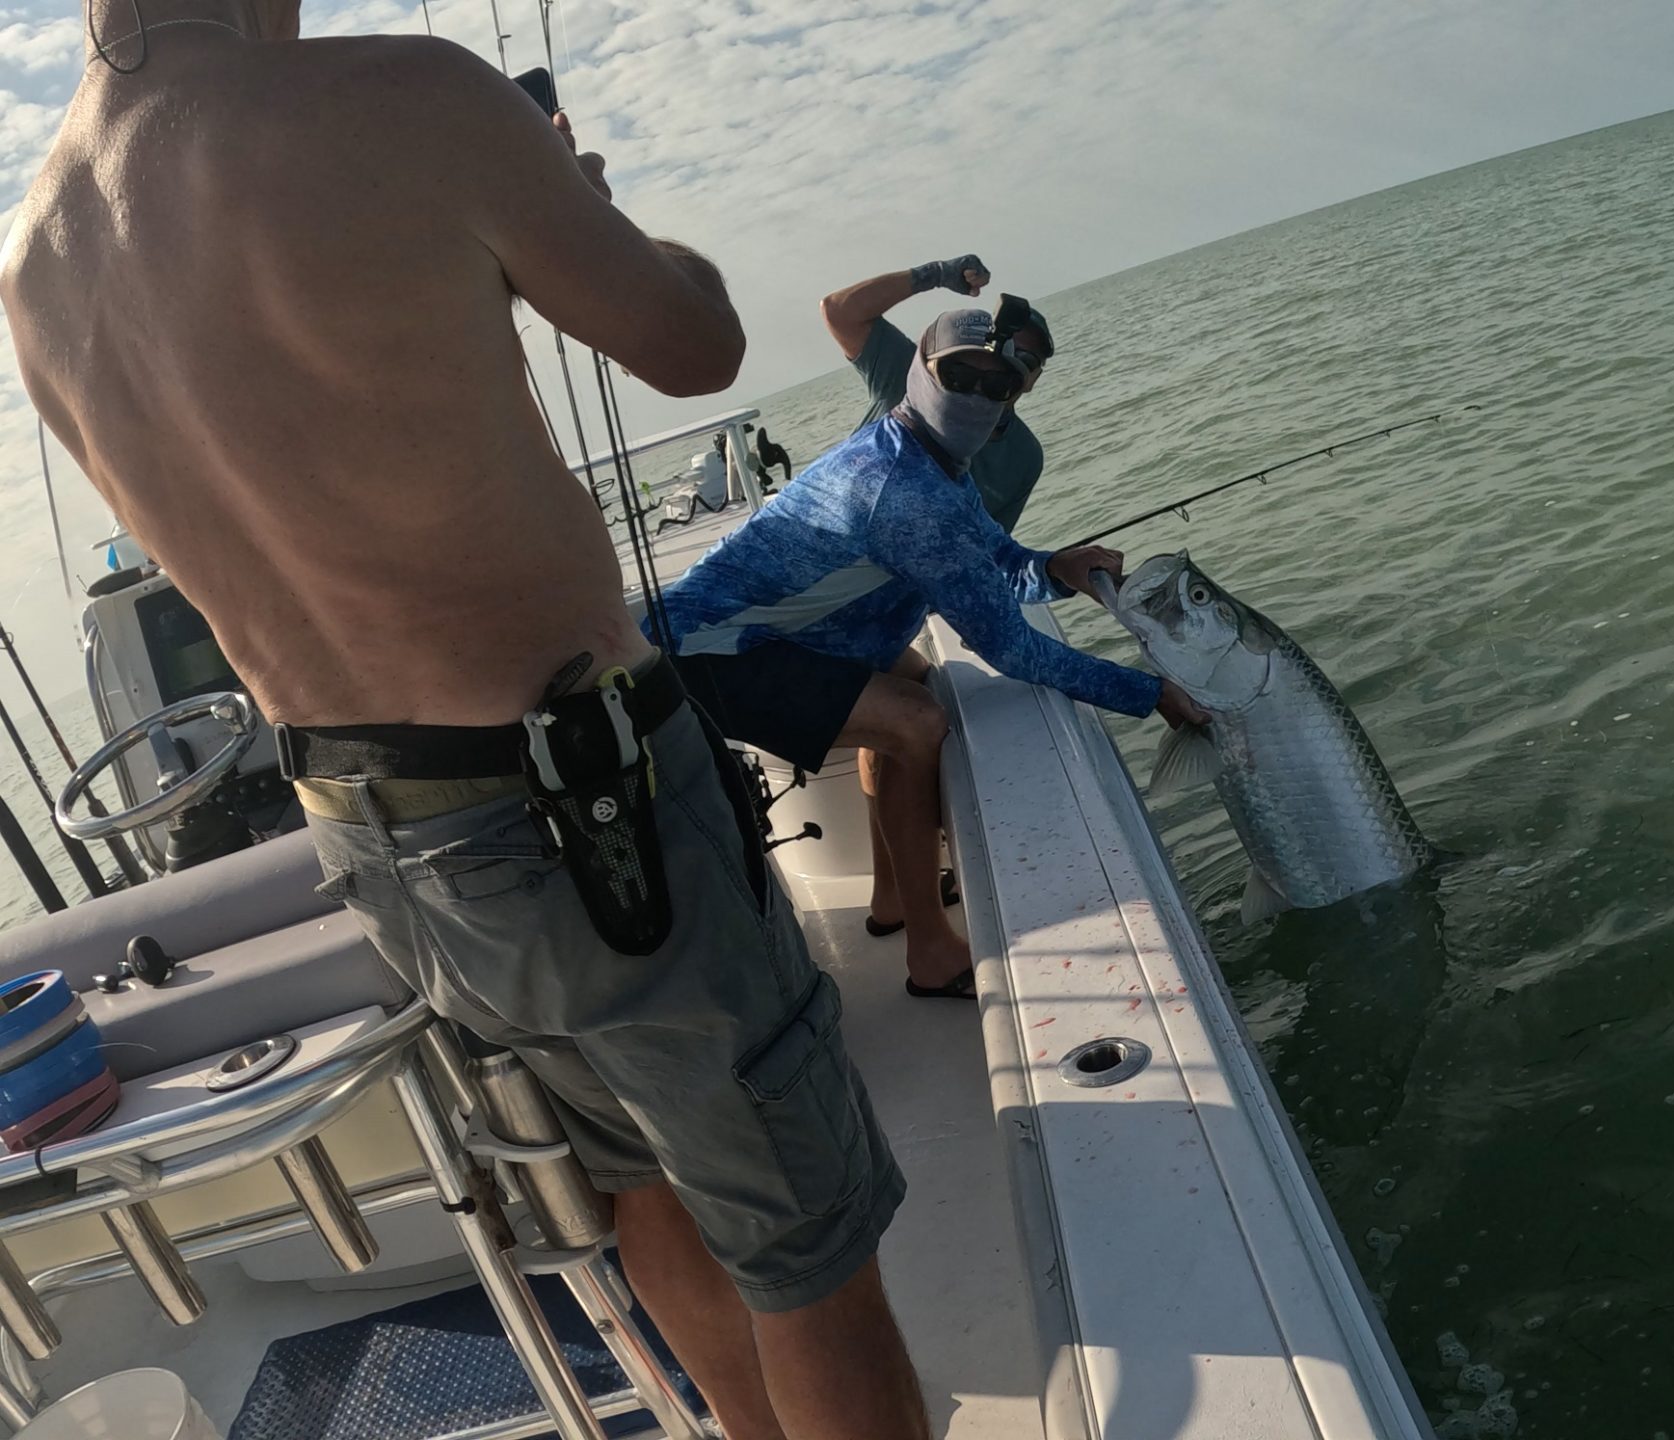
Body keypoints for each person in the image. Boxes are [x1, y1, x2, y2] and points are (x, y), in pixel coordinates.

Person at [0, 7, 926, 1438]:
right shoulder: (409, 95)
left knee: (634, 1178)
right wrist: (582, 209)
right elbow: (696, 344)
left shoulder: (34, 260)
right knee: (808, 1247)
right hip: (586, 812)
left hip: (375, 839)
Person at [658, 300, 1210, 997]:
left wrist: (1054, 568)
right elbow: (1012, 650)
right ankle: (930, 952)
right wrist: (1151, 692)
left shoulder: (926, 456)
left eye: (995, 384)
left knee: (914, 680)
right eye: (959, 377)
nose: (975, 395)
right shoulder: (905, 489)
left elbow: (995, 558)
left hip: (769, 636)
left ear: (1014, 395)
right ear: (920, 372)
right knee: (915, 723)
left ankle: (892, 896)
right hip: (703, 655)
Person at [821, 253, 1044, 532]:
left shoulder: (1025, 457)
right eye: (958, 375)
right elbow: (840, 312)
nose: (1008, 361)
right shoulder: (915, 372)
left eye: (1026, 360)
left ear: (1032, 379)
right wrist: (936, 274)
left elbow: (986, 546)